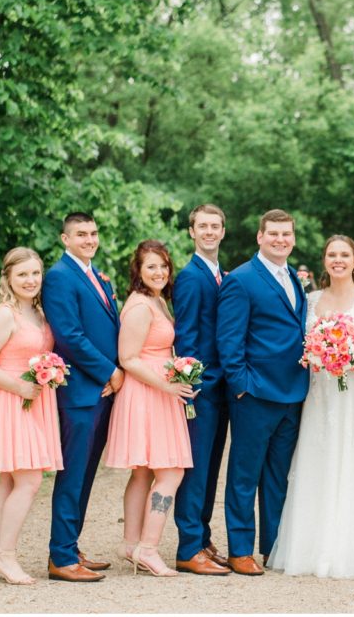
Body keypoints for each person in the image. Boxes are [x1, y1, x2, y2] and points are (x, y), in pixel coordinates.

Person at [268, 235, 354, 578]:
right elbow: (303, 347)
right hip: (323, 395)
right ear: (324, 260)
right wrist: (323, 356)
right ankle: (316, 543)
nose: (338, 260)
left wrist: (346, 361)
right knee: (322, 459)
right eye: (332, 254)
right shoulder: (311, 299)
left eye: (345, 254)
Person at [216, 209, 309, 576]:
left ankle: (272, 547)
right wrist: (241, 388)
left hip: (292, 394)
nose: (280, 239)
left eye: (286, 234)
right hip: (255, 395)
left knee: (276, 477)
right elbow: (229, 341)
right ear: (259, 237)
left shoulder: (293, 278)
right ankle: (240, 549)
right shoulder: (241, 280)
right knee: (244, 475)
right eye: (273, 233)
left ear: (293, 238)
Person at [0, 247, 63, 585]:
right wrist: (19, 388)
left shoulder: (38, 312)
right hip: (9, 399)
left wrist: (52, 372)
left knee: (9, 478)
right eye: (22, 275)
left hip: (34, 400)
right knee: (30, 479)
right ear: (8, 278)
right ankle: (7, 556)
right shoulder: (4, 314)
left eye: (35, 274)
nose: (30, 280)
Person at [104, 240, 195, 577]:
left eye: (163, 266)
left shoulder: (157, 301)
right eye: (151, 267)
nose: (159, 272)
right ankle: (149, 548)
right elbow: (128, 358)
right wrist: (168, 385)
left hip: (157, 390)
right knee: (171, 472)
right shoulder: (141, 306)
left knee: (143, 471)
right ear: (138, 271)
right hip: (148, 394)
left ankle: (131, 544)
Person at [42, 212, 123, 582]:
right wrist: (109, 371)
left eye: (93, 233)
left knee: (87, 474)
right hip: (80, 392)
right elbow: (70, 336)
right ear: (65, 239)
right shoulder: (59, 277)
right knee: (73, 473)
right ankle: (60, 557)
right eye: (80, 234)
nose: (89, 239)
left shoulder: (96, 275)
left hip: (102, 391)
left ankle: (71, 546)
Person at [172, 205, 232, 575]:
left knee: (210, 469)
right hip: (202, 389)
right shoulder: (191, 277)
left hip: (222, 387)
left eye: (215, 226)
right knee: (195, 470)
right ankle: (188, 547)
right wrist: (196, 382)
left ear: (223, 231)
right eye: (202, 226)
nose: (209, 231)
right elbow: (187, 335)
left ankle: (203, 538)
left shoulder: (223, 275)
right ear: (192, 232)